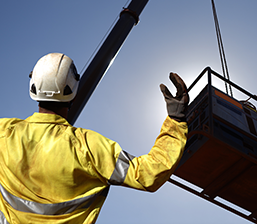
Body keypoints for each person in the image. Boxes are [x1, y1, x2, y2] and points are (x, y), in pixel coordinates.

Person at [0, 52, 189, 224]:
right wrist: (176, 119)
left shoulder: (4, 132)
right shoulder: (89, 147)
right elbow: (148, 174)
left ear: (34, 87)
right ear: (73, 93)